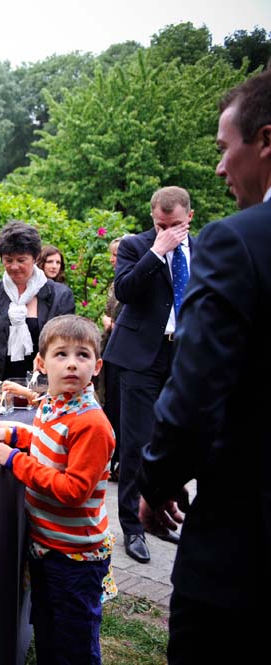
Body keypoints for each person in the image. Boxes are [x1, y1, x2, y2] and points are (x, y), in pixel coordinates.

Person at [137, 69, 271, 664]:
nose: (220, 168)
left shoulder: (237, 241)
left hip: (245, 556)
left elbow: (194, 398)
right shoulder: (142, 245)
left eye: (224, 149)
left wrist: (155, 482)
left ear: (264, 141)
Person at [0, 315, 115, 665]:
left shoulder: (91, 424)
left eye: (82, 355)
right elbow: (44, 441)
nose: (71, 363)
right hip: (47, 548)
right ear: (41, 363)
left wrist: (13, 460)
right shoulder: (55, 403)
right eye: (61, 354)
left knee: (74, 641)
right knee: (49, 628)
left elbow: (73, 490)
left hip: (75, 557)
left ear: (96, 366)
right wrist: (11, 434)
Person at [102, 186, 193, 564]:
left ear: (189, 216)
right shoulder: (136, 247)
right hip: (140, 358)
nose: (168, 230)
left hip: (184, 355)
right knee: (136, 444)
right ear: (152, 218)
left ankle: (158, 511)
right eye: (160, 224)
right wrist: (158, 251)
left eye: (174, 225)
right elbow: (124, 289)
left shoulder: (203, 249)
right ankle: (132, 528)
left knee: (176, 439)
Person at [0, 220, 75, 382]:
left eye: (21, 260)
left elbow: (66, 341)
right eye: (8, 260)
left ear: (35, 258)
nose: (14, 266)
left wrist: (46, 355)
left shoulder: (60, 295)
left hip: (44, 383)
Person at [100, 236, 128, 477]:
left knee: (121, 406)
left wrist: (113, 323)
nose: (112, 260)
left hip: (125, 353)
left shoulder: (134, 280)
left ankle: (122, 460)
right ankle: (112, 458)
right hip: (110, 348)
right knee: (110, 403)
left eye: (116, 255)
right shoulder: (115, 282)